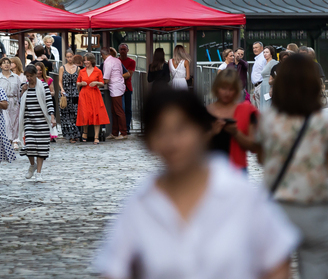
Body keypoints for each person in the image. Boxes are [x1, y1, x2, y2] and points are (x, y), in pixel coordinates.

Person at [93, 88, 299, 279]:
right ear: (148, 142)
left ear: (202, 131)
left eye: (181, 129)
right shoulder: (139, 206)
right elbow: (114, 268)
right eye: (160, 132)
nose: (172, 142)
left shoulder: (241, 196)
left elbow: (278, 262)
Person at [253, 54, 328, 279]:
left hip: (277, 205)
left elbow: (261, 158)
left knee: (275, 268)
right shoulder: (323, 121)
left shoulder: (268, 120)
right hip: (315, 204)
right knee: (316, 264)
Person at [207, 69, 258, 173]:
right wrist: (212, 133)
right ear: (216, 88)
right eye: (223, 88)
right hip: (210, 170)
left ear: (237, 90)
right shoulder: (206, 112)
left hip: (237, 169)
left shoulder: (246, 110)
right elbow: (194, 146)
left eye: (231, 89)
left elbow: (254, 146)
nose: (227, 93)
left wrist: (236, 133)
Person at [19, 65, 55, 181]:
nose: (29, 78)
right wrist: (23, 91)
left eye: (31, 76)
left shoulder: (43, 86)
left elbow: (49, 102)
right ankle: (32, 164)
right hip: (29, 121)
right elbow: (20, 103)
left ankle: (39, 172)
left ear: (36, 75)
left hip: (42, 121)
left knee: (41, 148)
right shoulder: (24, 86)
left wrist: (52, 117)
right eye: (27, 76)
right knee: (29, 145)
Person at [76, 53, 110, 144]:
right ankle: (85, 132)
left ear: (92, 60)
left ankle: (96, 136)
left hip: (94, 94)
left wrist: (96, 83)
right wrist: (81, 84)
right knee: (85, 114)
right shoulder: (82, 71)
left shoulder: (97, 71)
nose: (86, 62)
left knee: (96, 114)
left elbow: (102, 83)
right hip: (84, 94)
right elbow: (77, 82)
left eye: (87, 60)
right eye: (85, 60)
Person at [102, 48, 128, 140]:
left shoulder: (107, 62)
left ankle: (123, 132)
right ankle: (115, 132)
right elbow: (121, 72)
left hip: (115, 87)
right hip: (119, 85)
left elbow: (106, 78)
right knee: (115, 110)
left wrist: (97, 82)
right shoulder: (117, 60)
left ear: (103, 55)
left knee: (118, 111)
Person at [0, 57, 21, 149]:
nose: (6, 64)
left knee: (14, 122)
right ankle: (7, 141)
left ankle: (14, 139)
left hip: (14, 101)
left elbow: (19, 90)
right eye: (4, 63)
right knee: (6, 122)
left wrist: (19, 102)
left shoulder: (16, 77)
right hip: (3, 102)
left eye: (8, 63)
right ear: (0, 65)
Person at [58, 50, 81, 143]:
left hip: (75, 93)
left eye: (70, 56)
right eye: (67, 57)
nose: (69, 58)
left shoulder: (77, 68)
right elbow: (60, 80)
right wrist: (62, 89)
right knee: (66, 115)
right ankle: (70, 135)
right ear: (65, 57)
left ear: (73, 57)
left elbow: (78, 81)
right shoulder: (62, 68)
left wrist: (79, 92)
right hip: (65, 93)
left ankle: (76, 134)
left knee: (75, 114)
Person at [34, 62, 57, 141]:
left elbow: (53, 92)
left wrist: (45, 92)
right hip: (36, 102)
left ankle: (50, 133)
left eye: (40, 70)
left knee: (48, 117)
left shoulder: (48, 79)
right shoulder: (32, 80)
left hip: (47, 101)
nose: (39, 72)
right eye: (37, 70)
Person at [118, 44, 136, 133]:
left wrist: (116, 76)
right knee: (119, 109)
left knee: (128, 109)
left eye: (124, 49)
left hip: (127, 88)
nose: (122, 51)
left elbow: (129, 74)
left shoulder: (131, 61)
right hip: (117, 88)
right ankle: (120, 127)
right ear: (118, 51)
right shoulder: (117, 61)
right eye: (121, 49)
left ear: (127, 50)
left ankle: (127, 127)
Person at [259, 46, 278, 110]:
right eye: (264, 52)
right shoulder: (265, 63)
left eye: (267, 52)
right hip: (263, 85)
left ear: (271, 53)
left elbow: (275, 76)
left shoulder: (273, 62)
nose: (265, 54)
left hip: (269, 86)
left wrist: (272, 88)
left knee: (268, 104)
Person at [251, 41, 266, 109]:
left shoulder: (263, 58)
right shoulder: (257, 58)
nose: (254, 49)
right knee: (260, 108)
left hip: (261, 85)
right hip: (257, 86)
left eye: (256, 47)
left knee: (263, 108)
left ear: (261, 48)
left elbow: (265, 73)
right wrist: (255, 90)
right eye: (253, 48)